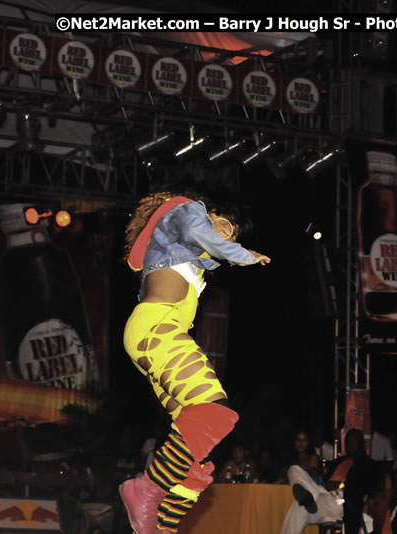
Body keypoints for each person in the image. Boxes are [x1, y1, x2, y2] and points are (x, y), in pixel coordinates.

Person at [118, 191, 271, 534]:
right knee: (215, 412)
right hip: (156, 328)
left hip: (153, 337)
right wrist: (242, 253)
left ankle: (162, 525)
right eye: (226, 226)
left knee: (197, 452)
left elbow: (206, 247)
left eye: (232, 235)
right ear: (212, 212)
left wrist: (231, 253)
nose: (226, 236)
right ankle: (144, 490)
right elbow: (201, 233)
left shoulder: (194, 263)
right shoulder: (188, 212)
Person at [280, 429, 382, 534]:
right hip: (324, 498)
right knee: (294, 471)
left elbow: (368, 488)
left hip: (344, 503)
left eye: (353, 441)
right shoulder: (338, 462)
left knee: (304, 501)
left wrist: (341, 485)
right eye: (347, 442)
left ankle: (310, 494)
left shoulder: (370, 465)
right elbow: (320, 475)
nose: (349, 445)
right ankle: (309, 495)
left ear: (361, 443)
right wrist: (318, 472)